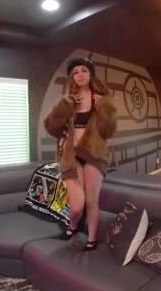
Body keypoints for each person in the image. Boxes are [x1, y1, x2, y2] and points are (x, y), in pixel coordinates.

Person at [43, 58, 117, 249]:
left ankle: (91, 239)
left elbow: (108, 131)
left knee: (92, 202)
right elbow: (51, 128)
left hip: (93, 155)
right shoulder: (68, 101)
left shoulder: (101, 99)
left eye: (84, 70)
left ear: (91, 74)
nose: (80, 75)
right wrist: (63, 107)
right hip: (71, 156)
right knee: (77, 205)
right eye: (75, 72)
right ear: (71, 77)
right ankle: (72, 226)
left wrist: (103, 108)